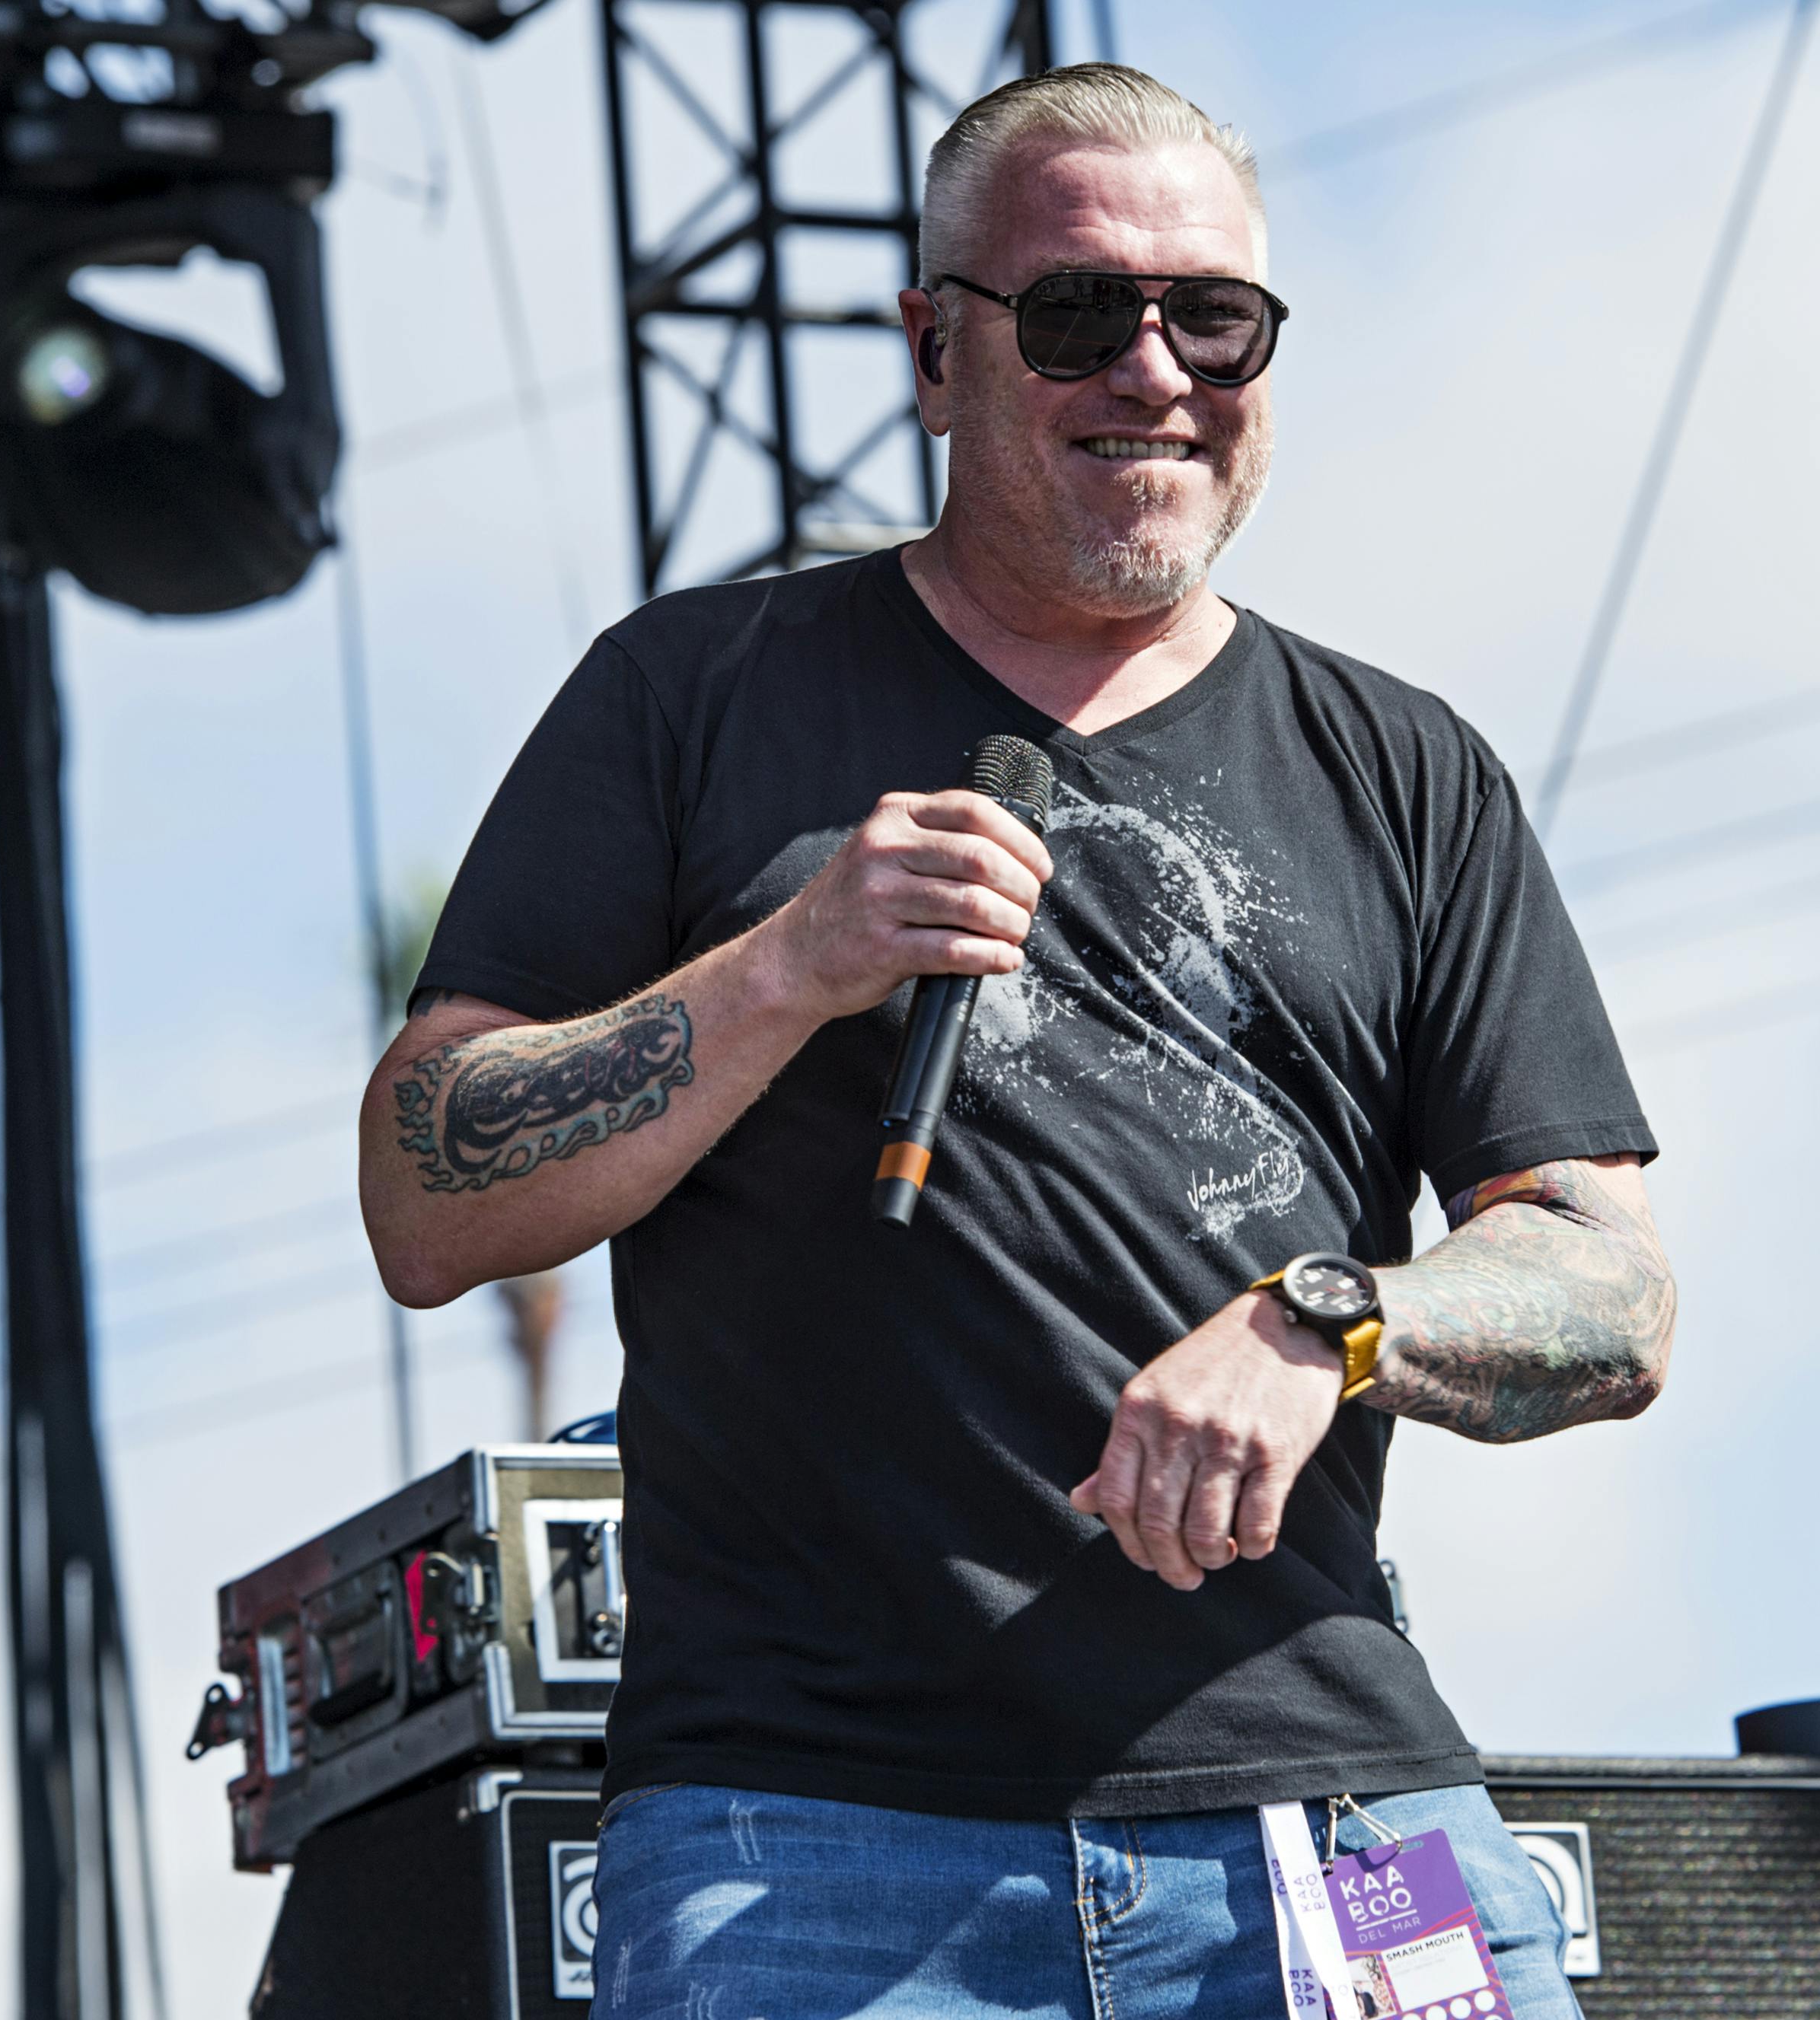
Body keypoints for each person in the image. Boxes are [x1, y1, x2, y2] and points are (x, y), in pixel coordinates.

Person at [357, 61, 1672, 2020]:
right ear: (934, 352)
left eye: (1211, 317)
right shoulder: (692, 692)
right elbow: (422, 1192)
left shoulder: (1405, 770)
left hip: (1327, 1807)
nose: (1154, 370)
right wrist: (787, 965)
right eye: (1075, 314)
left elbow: (1607, 1288)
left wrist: (1326, 1321)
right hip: (806, 1847)